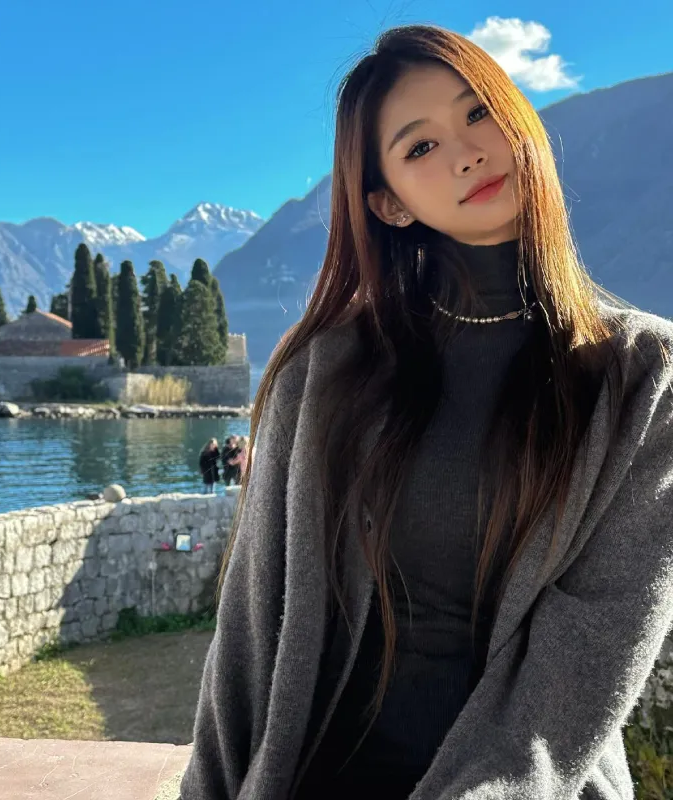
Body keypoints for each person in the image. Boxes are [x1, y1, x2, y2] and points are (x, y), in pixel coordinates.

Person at [180, 24, 673, 800]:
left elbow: (591, 653)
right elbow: (248, 629)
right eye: (420, 148)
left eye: (478, 112)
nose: (467, 153)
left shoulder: (645, 379)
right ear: (389, 204)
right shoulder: (324, 371)